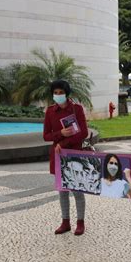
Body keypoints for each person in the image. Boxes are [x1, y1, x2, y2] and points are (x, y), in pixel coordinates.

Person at [43, 80, 88, 236]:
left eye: (61, 92)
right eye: (55, 93)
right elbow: (46, 136)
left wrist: (64, 141)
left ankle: (80, 222)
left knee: (77, 190)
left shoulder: (76, 109)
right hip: (58, 155)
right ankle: (65, 222)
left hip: (74, 154)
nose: (58, 95)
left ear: (67, 93)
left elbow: (83, 133)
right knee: (62, 191)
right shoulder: (50, 111)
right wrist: (60, 134)